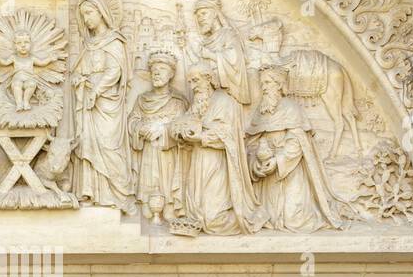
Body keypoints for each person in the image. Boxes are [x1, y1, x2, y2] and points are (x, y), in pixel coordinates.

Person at [247, 65, 346, 232]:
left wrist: (277, 161)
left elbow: (297, 143)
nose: (263, 87)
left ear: (278, 85)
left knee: (295, 219)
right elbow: (252, 143)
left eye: (267, 83)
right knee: (266, 215)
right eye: (262, 83)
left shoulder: (290, 108)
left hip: (289, 171)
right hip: (267, 176)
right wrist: (256, 162)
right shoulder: (261, 111)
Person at [172, 61, 264, 235]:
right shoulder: (198, 104)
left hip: (218, 163)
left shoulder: (225, 102)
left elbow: (229, 136)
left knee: (213, 219)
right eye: (190, 82)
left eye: (195, 80)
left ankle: (242, 216)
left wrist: (201, 137)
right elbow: (186, 121)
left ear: (208, 79)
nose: (192, 86)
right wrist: (180, 131)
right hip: (198, 161)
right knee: (197, 212)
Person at [71, 0, 134, 213]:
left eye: (89, 13)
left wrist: (96, 91)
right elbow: (78, 70)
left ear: (101, 12)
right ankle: (92, 192)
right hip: (88, 102)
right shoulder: (88, 45)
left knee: (108, 146)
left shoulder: (114, 40)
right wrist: (80, 79)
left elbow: (114, 71)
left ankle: (118, 195)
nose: (86, 19)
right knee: (88, 142)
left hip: (107, 103)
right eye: (83, 15)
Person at [129, 49, 188, 224]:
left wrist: (162, 129)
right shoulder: (142, 100)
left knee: (168, 193)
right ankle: (147, 201)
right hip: (147, 154)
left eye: (161, 69)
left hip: (168, 155)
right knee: (147, 210)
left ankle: (170, 203)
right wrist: (140, 128)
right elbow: (132, 121)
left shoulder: (178, 101)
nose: (156, 72)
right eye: (153, 69)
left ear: (171, 74)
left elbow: (184, 129)